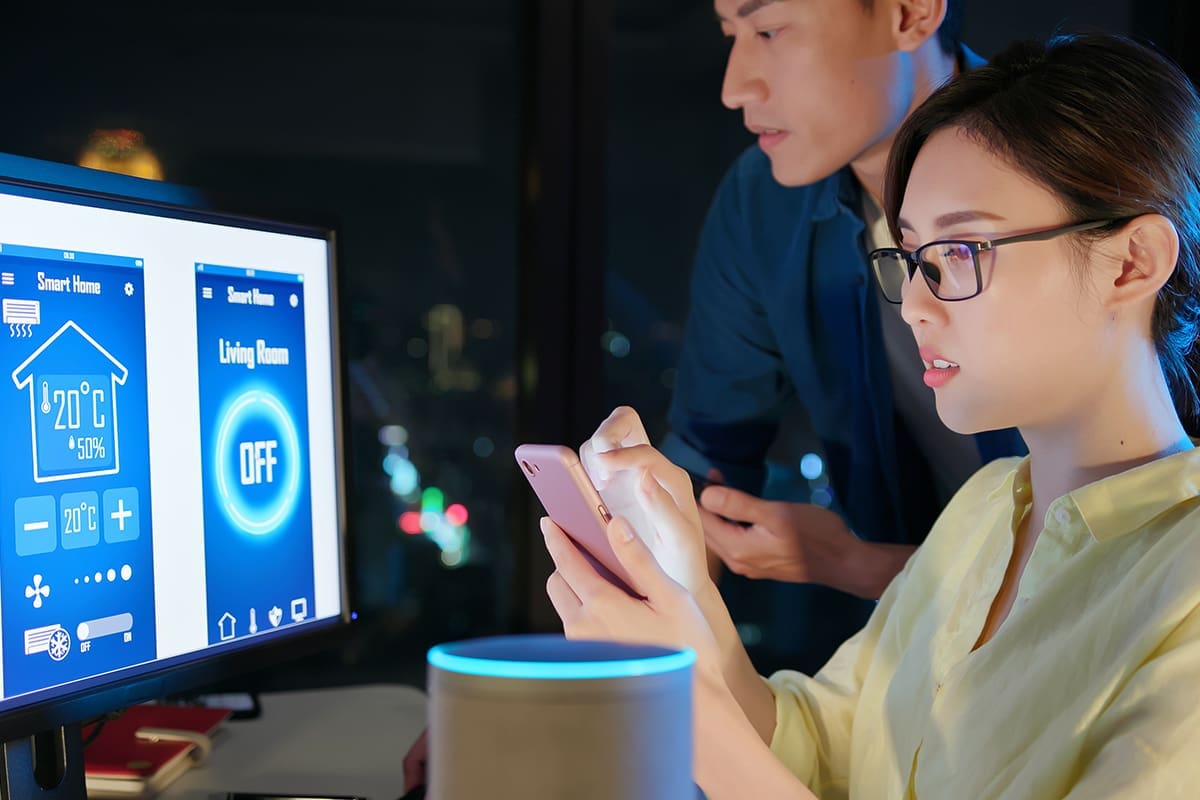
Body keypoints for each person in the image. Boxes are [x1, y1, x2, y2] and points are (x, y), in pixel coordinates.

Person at [547, 33, 1200, 798]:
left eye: (960, 253)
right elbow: (815, 747)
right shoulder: (983, 513)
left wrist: (678, 705)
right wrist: (684, 591)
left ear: (1132, 263)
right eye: (912, 258)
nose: (917, 305)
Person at [658, 0, 1025, 673]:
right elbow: (704, 469)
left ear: (910, 13)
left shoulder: (1082, 170)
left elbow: (1126, 570)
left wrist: (860, 566)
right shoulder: (764, 204)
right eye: (731, 35)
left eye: (769, 30)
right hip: (910, 669)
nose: (736, 86)